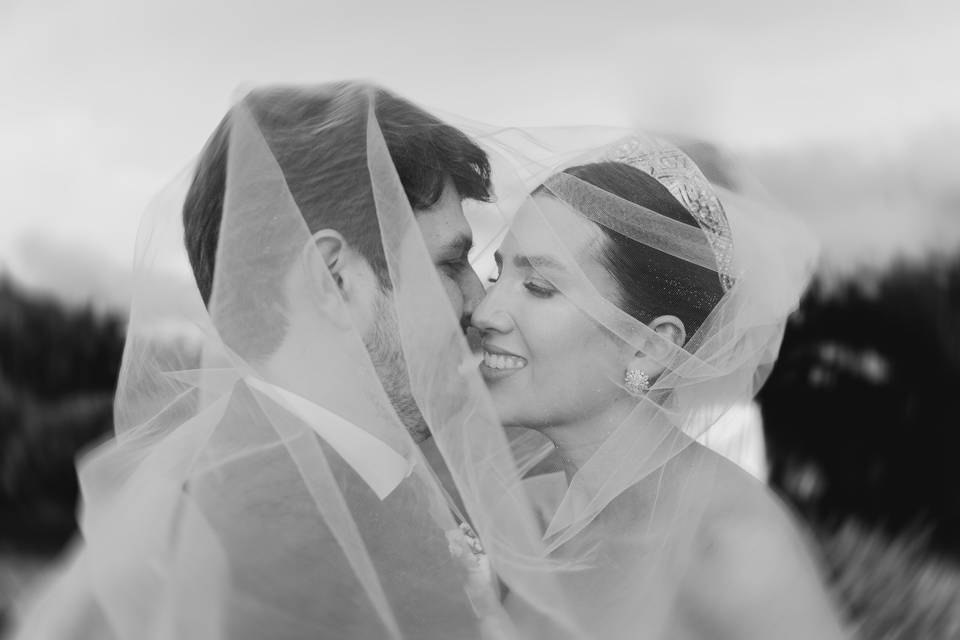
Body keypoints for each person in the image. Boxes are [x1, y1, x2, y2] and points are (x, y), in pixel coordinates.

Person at [9, 82, 530, 639]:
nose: (479, 303)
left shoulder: (342, 479)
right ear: (333, 277)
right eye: (450, 265)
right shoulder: (255, 551)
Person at [470, 135, 852, 639]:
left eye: (540, 286)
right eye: (497, 275)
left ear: (651, 347)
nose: (484, 313)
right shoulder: (526, 517)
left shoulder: (733, 552)